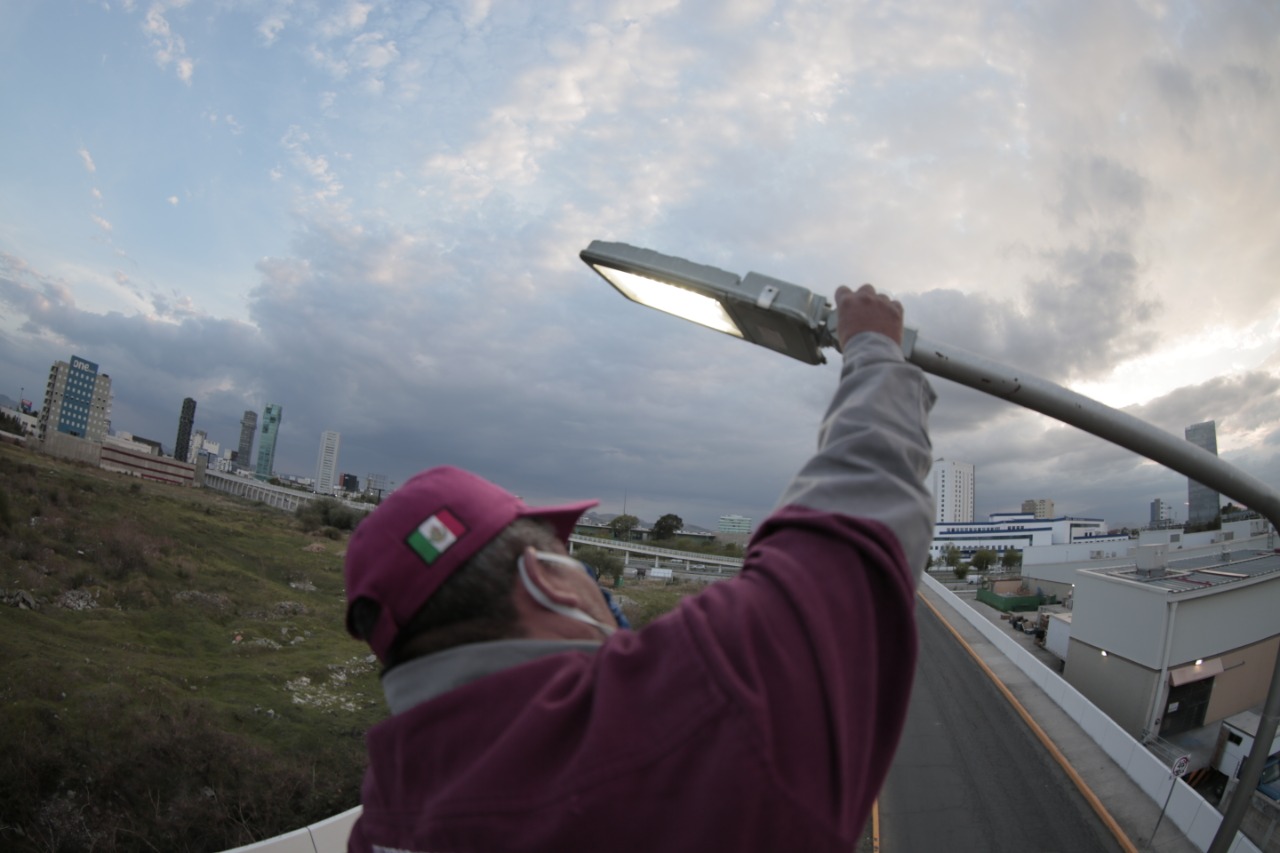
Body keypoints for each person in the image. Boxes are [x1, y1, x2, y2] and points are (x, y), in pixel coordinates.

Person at [343, 283, 935, 852]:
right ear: (544, 580)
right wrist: (874, 348)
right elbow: (853, 530)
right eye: (569, 557)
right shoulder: (679, 706)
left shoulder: (382, 823)